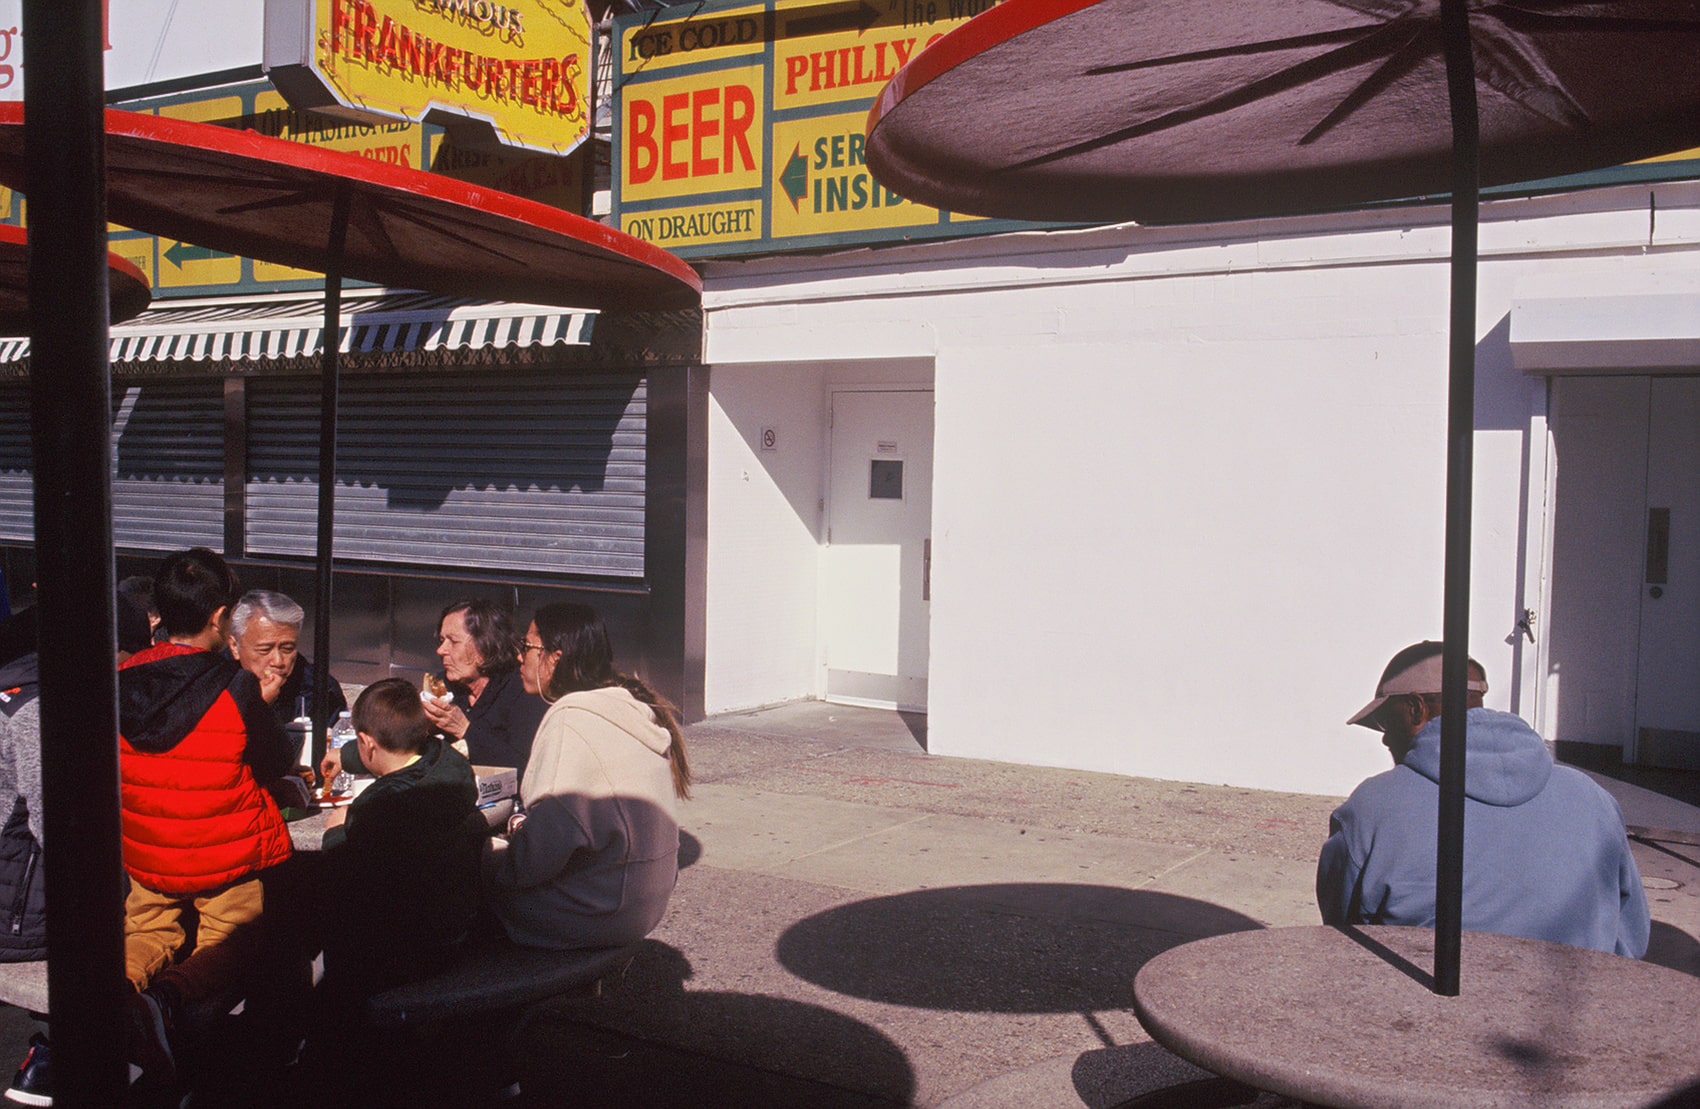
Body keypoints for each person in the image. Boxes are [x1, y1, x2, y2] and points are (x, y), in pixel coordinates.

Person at [1316, 641, 1650, 957]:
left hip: (1428, 1010)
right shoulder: (1591, 797)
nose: (1386, 738)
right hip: (1573, 1006)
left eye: (1385, 722)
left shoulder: (1372, 808)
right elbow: (1631, 934)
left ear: (1417, 708)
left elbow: (1344, 939)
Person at [118, 549, 296, 1088]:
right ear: (220, 617)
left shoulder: (122, 677)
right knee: (235, 941)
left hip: (147, 854)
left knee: (146, 933)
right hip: (225, 858)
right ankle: (166, 1000)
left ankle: (119, 997)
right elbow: (276, 762)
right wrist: (262, 708)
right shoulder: (234, 686)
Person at [0, 599, 153, 1106]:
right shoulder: (39, 711)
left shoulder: (20, 686)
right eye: (128, 660)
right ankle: (54, 1054)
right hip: (17, 916)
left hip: (17, 889)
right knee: (146, 909)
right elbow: (62, 833)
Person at [483, 603, 691, 949]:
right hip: (642, 906)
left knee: (462, 868)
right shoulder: (627, 709)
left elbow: (537, 856)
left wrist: (493, 852)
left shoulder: (571, 718)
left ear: (556, 657)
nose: (520, 658)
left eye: (528, 648)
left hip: (591, 913)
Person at [314, 679, 483, 1028]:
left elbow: (344, 879)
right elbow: (404, 750)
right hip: (451, 931)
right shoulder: (450, 765)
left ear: (366, 742)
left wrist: (335, 832)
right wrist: (345, 757)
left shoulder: (379, 806)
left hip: (396, 955)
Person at [322, 598, 543, 784]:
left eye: (452, 642)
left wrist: (465, 729)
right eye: (441, 640)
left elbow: (526, 767)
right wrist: (346, 754)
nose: (440, 650)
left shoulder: (521, 690)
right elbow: (397, 741)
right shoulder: (445, 686)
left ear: (485, 646)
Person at [226, 590, 347, 732]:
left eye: (287, 649)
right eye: (265, 650)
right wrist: (256, 707)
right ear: (235, 646)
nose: (278, 661)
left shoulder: (320, 690)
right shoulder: (213, 682)